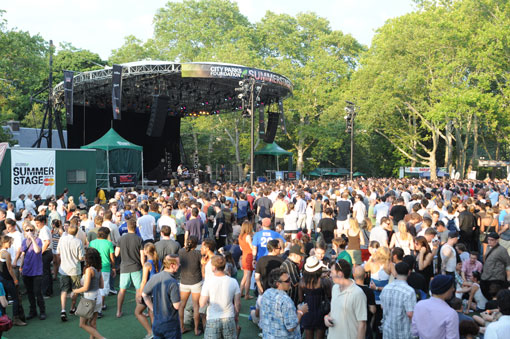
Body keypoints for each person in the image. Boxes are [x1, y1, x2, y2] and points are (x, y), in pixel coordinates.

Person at [199, 254, 241, 339]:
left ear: (214, 267)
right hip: (229, 317)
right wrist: (236, 316)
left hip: (213, 318)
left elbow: (202, 303)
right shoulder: (233, 281)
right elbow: (237, 304)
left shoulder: (208, 282)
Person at [260, 268, 309, 339]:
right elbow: (291, 327)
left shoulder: (266, 293)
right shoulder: (286, 301)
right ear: (277, 284)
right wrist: (301, 312)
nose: (291, 282)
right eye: (287, 281)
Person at [324, 259, 367, 339]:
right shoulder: (335, 288)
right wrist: (326, 317)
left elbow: (362, 324)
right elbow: (334, 310)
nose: (330, 275)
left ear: (340, 274)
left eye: (332, 272)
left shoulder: (358, 293)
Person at [142, 254, 181, 339]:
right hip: (170, 324)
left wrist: (153, 308)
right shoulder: (173, 282)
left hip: (157, 323)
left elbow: (144, 294)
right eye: (178, 264)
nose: (180, 265)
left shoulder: (155, 277)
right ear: (172, 265)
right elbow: (176, 305)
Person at [411, 274, 459, 339]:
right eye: (452, 287)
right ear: (445, 289)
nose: (453, 289)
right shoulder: (451, 314)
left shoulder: (419, 305)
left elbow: (414, 331)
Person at [73, 247, 105, 339]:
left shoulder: (89, 270)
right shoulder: (98, 269)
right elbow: (101, 285)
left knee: (82, 324)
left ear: (88, 258)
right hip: (98, 298)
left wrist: (74, 291)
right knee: (93, 323)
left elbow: (85, 288)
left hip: (88, 299)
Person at [115, 218, 144, 318]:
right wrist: (144, 266)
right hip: (136, 267)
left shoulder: (121, 239)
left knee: (122, 290)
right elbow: (142, 256)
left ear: (127, 228)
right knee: (138, 290)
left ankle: (118, 311)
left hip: (124, 267)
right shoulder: (139, 239)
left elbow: (116, 253)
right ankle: (138, 311)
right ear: (135, 228)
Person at [379, 262, 416, 339]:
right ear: (409, 272)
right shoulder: (409, 291)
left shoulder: (386, 288)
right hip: (402, 333)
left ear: (395, 272)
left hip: (387, 331)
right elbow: (410, 314)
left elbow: (382, 306)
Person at [18, 222, 46, 320]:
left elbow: (37, 250)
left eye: (31, 230)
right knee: (29, 293)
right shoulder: (23, 241)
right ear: (24, 232)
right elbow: (22, 254)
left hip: (37, 271)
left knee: (37, 292)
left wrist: (33, 238)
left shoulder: (38, 240)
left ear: (35, 230)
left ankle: (42, 311)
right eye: (27, 230)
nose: (29, 232)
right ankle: (32, 311)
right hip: (26, 270)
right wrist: (20, 267)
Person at [57, 223, 85, 321]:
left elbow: (58, 252)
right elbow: (81, 257)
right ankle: (72, 308)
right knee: (75, 289)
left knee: (64, 290)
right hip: (75, 269)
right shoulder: (78, 241)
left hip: (64, 268)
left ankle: (63, 310)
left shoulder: (62, 239)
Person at [299, 256, 331, 339]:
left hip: (308, 312)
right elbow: (330, 297)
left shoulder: (302, 282)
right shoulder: (325, 282)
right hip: (321, 312)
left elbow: (301, 299)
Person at [178, 236, 203, 336]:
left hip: (184, 282)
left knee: (181, 306)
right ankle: (196, 330)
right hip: (196, 282)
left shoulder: (181, 252)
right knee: (196, 306)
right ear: (196, 244)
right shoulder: (198, 254)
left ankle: (181, 327)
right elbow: (202, 266)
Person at [89, 227, 115, 317]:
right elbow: (112, 258)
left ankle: (94, 308)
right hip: (105, 268)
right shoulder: (109, 243)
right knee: (103, 288)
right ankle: (101, 307)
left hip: (93, 268)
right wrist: (114, 268)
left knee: (93, 288)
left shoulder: (92, 243)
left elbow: (89, 255)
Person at [0, 235, 26, 325]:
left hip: (1, 279)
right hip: (7, 279)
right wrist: (15, 279)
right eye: (9, 242)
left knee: (4, 298)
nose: (11, 243)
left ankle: (3, 318)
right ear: (4, 242)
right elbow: (10, 269)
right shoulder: (6, 254)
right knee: (16, 298)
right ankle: (16, 319)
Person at [136, 243, 159, 339]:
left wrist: (139, 294)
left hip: (149, 292)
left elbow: (144, 280)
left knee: (138, 312)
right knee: (151, 312)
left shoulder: (147, 264)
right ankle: (155, 333)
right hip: (157, 291)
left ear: (145, 251)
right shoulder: (158, 261)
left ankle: (151, 332)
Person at [480, 232, 510, 299]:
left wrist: (508, 279)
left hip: (496, 278)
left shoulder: (502, 250)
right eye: (488, 239)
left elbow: (508, 264)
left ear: (497, 240)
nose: (489, 241)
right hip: (486, 277)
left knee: (494, 296)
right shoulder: (488, 247)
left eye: (492, 240)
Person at [238, 220, 255, 300]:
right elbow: (252, 247)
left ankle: (241, 292)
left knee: (244, 276)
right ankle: (247, 295)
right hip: (249, 256)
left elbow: (241, 248)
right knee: (248, 276)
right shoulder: (248, 236)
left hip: (244, 255)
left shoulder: (240, 237)